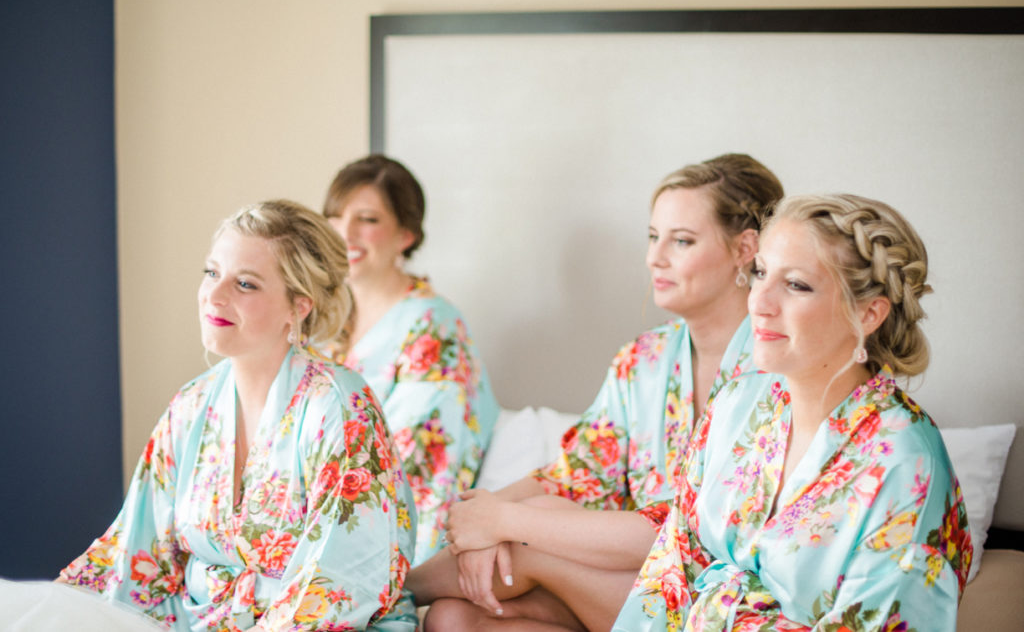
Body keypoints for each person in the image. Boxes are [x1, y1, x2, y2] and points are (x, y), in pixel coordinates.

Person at [408, 154, 785, 630]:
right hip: (629, 583)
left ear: (745, 249)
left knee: (526, 541)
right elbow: (576, 474)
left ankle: (391, 596)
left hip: (719, 595)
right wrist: (481, 518)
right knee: (452, 618)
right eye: (653, 237)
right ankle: (393, 597)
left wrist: (504, 523)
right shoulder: (642, 361)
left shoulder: (779, 368)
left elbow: (694, 529)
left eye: (681, 241)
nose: (655, 258)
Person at [614, 193, 972, 630]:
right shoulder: (735, 405)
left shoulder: (906, 462)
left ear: (869, 313)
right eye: (761, 273)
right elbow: (669, 572)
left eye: (796, 285)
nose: (759, 302)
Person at [59, 200, 418, 631]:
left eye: (245, 284)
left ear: (298, 306)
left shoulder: (339, 407)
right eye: (212, 273)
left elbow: (342, 582)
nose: (214, 295)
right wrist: (56, 608)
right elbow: (132, 552)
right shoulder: (191, 406)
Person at [318, 154, 500, 565]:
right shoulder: (327, 324)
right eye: (335, 217)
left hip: (394, 527)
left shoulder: (432, 323)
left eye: (367, 219)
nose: (345, 233)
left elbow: (419, 463)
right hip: (330, 511)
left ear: (406, 234)